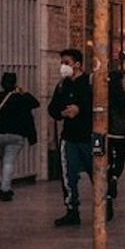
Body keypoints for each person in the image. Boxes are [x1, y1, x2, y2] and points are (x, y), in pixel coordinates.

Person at [47, 49, 93, 227]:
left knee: (96, 173)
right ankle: (72, 210)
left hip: (89, 136)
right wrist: (62, 112)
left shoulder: (89, 83)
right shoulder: (62, 85)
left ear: (78, 64)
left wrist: (80, 109)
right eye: (62, 63)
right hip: (69, 137)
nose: (63, 66)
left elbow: (99, 107)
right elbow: (52, 109)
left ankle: (104, 204)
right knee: (68, 175)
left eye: (66, 62)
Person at [0, 71, 38, 202]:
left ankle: (5, 185)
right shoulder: (21, 98)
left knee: (4, 161)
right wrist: (24, 92)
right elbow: (36, 103)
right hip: (16, 136)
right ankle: (5, 190)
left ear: (2, 83)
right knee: (9, 161)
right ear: (15, 83)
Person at [105, 70, 125, 220]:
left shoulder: (105, 95)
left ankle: (110, 178)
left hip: (108, 131)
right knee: (120, 159)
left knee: (109, 159)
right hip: (122, 131)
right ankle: (115, 177)